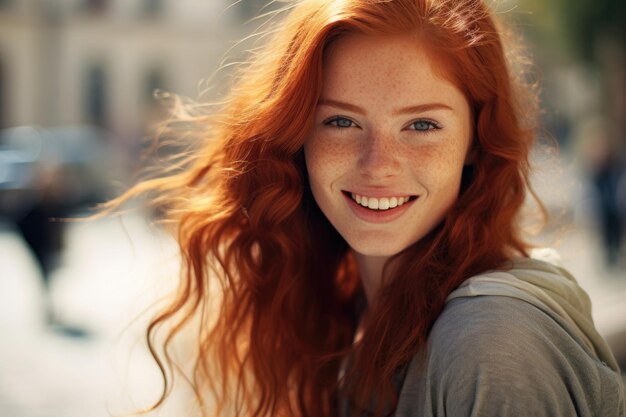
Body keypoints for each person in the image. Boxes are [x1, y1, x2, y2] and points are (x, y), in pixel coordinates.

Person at [110, 0, 625, 416]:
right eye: (341, 122)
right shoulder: (344, 310)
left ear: (476, 140)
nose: (379, 165)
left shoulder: (492, 341)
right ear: (297, 138)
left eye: (422, 125)